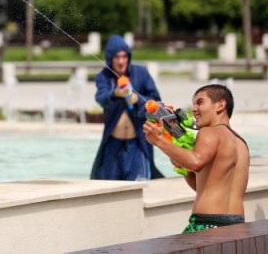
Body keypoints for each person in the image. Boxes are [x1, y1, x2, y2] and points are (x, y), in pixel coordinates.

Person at [144, 84, 249, 232]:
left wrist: (160, 141)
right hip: (237, 226)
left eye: (200, 102)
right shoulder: (240, 142)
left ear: (220, 105)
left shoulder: (210, 132)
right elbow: (203, 188)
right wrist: (181, 164)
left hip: (208, 225)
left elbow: (195, 162)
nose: (193, 109)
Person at [90, 35, 164, 181]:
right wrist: (116, 93)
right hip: (113, 144)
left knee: (139, 185)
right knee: (110, 189)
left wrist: (138, 100)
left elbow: (155, 99)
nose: (121, 61)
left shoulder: (141, 73)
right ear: (110, 58)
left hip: (137, 144)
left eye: (124, 56)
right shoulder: (104, 77)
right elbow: (101, 98)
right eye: (117, 57)